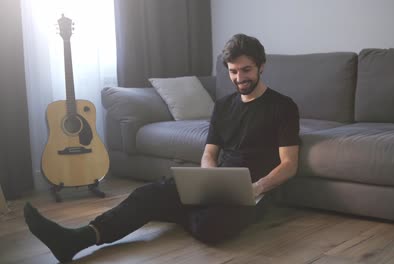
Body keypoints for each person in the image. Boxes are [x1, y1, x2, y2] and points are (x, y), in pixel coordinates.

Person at [24, 33, 300, 263]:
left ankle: (168, 210)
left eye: (246, 70)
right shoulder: (223, 105)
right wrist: (209, 179)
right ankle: (76, 239)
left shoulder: (283, 106)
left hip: (254, 193)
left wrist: (257, 187)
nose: (239, 77)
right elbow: (209, 152)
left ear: (261, 66)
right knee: (147, 193)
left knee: (209, 227)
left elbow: (289, 164)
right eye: (233, 71)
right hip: (218, 184)